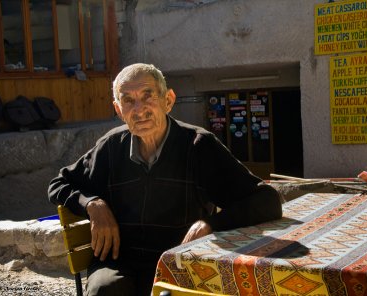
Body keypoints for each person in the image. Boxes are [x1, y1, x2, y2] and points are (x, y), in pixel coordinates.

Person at [48, 63, 282, 296]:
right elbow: (59, 184)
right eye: (128, 100)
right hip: (120, 262)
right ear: (119, 110)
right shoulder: (110, 148)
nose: (139, 109)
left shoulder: (198, 146)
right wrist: (93, 204)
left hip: (179, 261)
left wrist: (211, 224)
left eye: (147, 96)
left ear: (168, 101)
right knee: (104, 290)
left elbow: (267, 200)